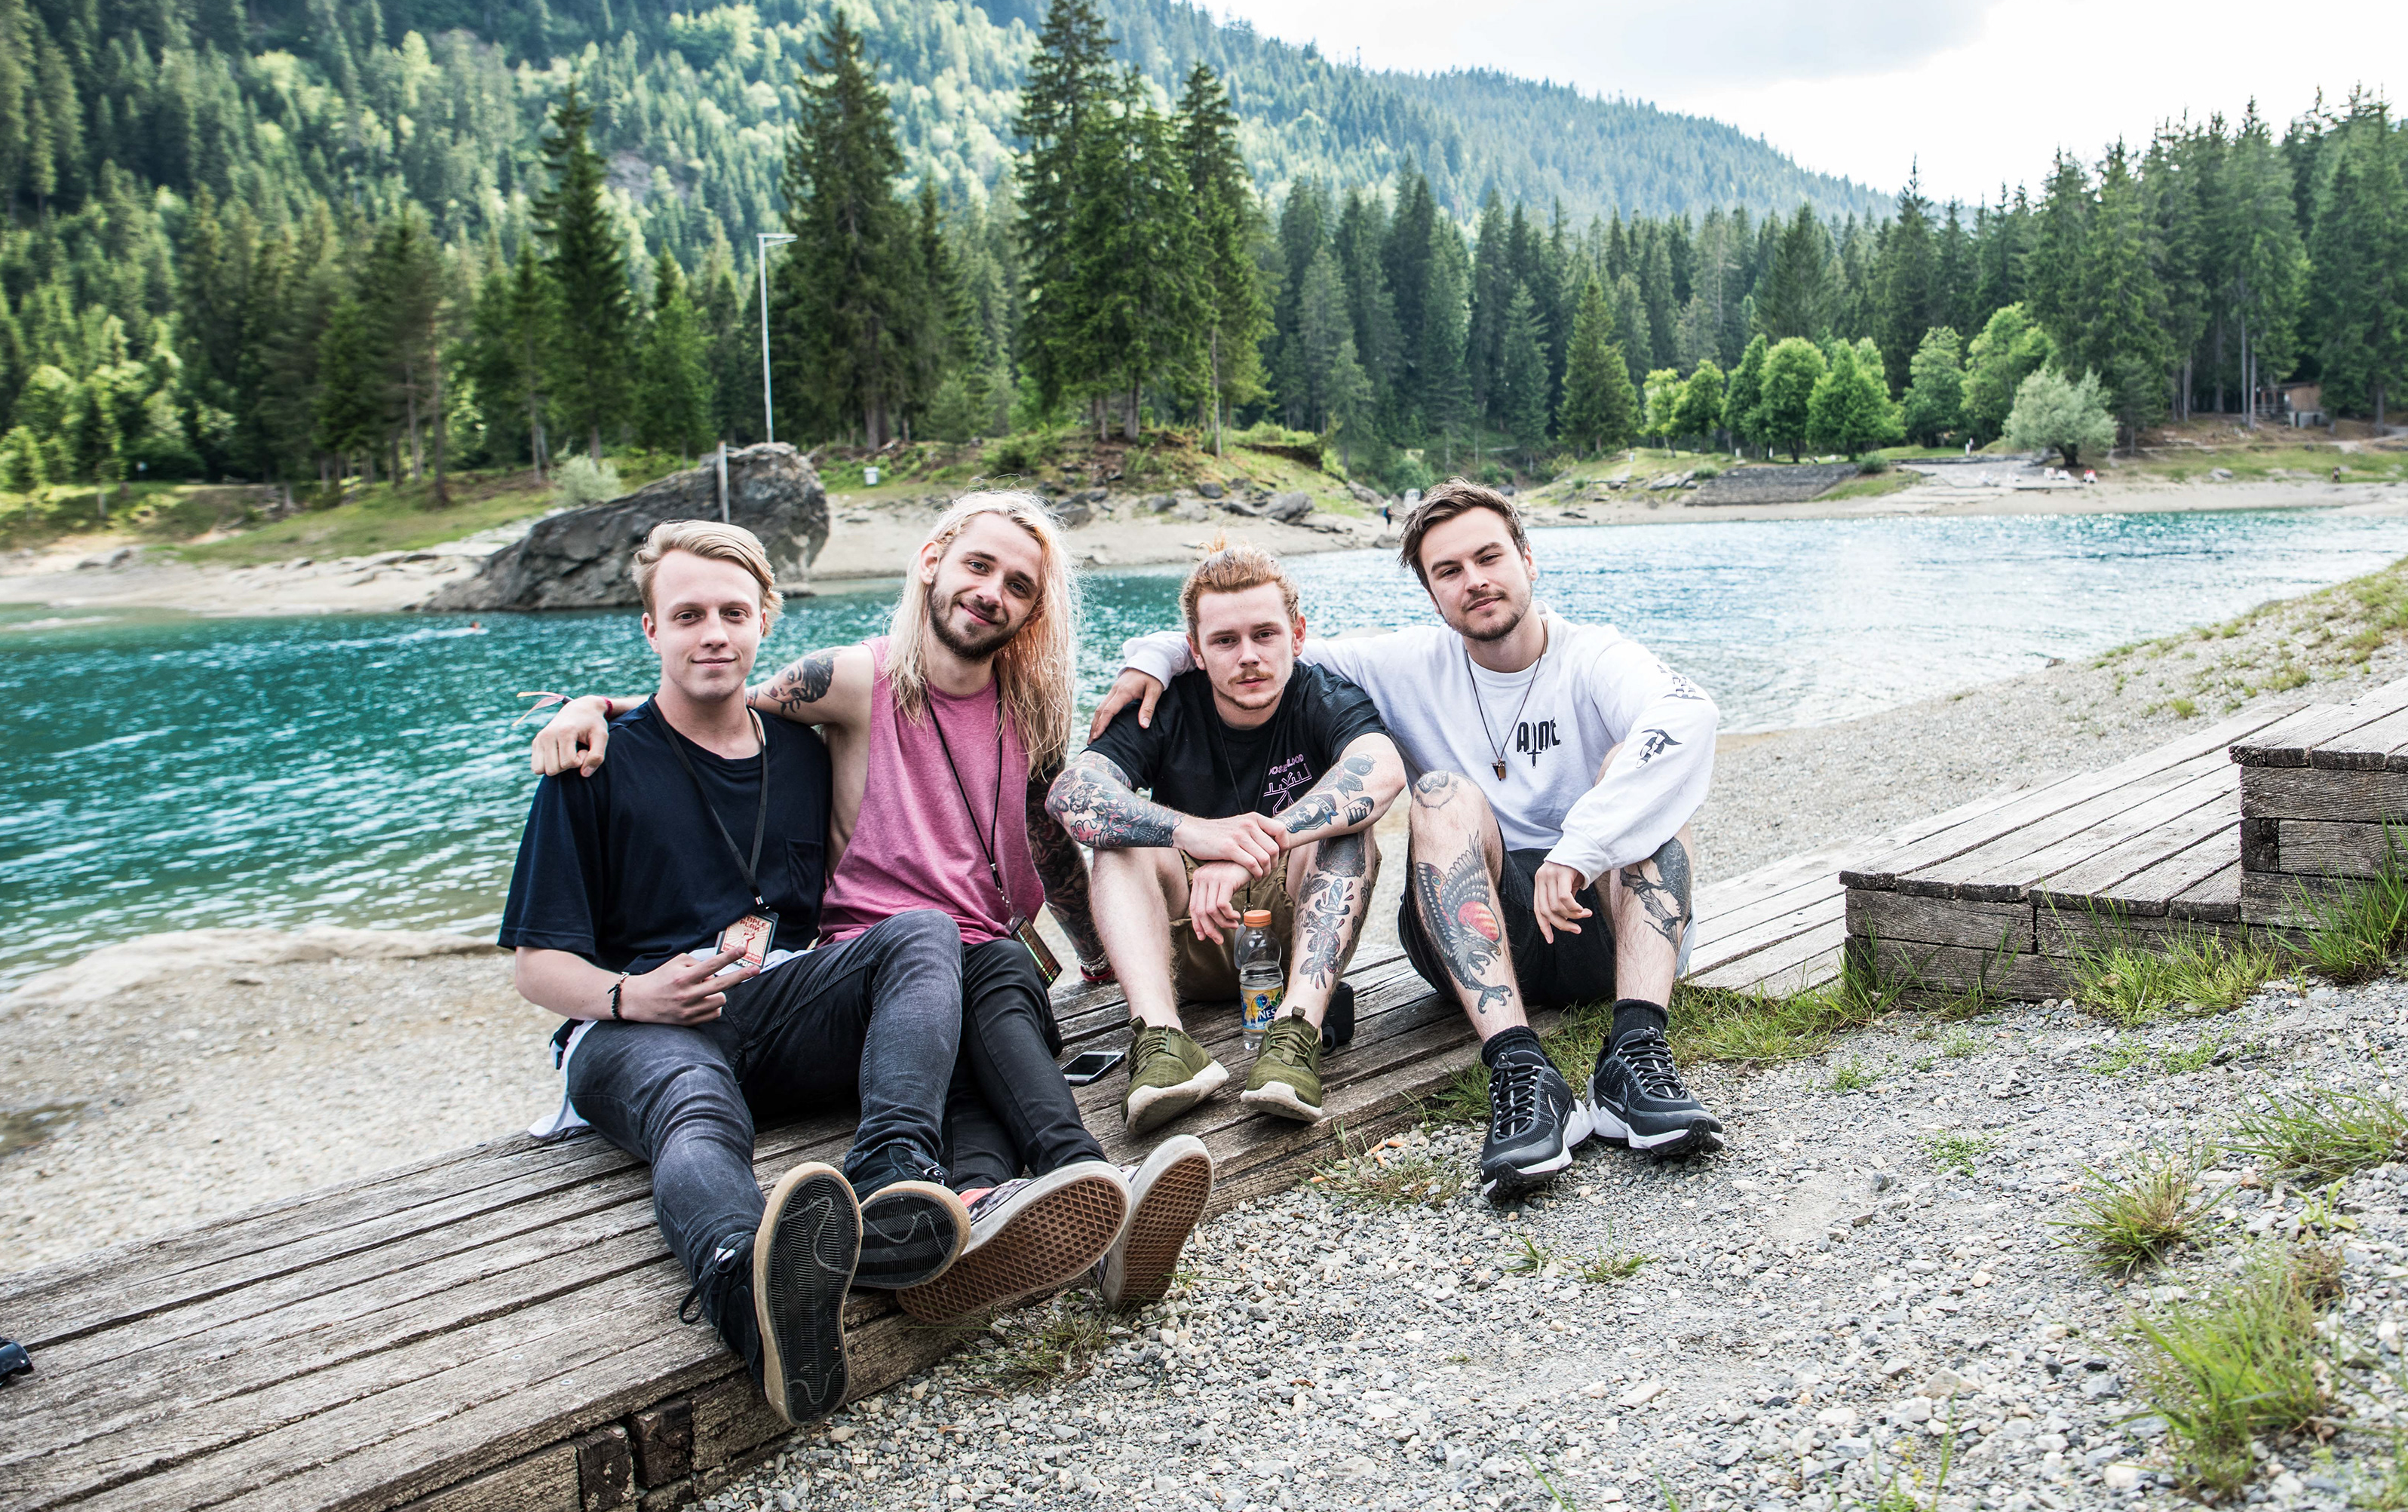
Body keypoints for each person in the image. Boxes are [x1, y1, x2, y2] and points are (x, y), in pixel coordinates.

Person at [527, 492, 1210, 1319]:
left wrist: (1096, 957)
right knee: (932, 963)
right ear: (932, 562)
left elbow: (1048, 838)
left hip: (924, 972)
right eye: (978, 565)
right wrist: (596, 709)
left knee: (986, 977)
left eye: (1019, 584)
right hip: (849, 969)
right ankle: (890, 1198)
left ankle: (1040, 1196)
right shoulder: (852, 680)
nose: (992, 591)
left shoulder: (1015, 711)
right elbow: (711, 697)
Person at [1095, 479, 1721, 1201]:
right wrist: (1153, 655)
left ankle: (1637, 1055)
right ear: (1431, 592)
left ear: (1527, 558)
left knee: (1637, 773)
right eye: (1448, 570)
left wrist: (1581, 846)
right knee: (1440, 791)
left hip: (1608, 928)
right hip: (1477, 937)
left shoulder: (1595, 656)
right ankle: (1519, 1070)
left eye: (1489, 557)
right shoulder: (1406, 664)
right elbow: (1260, 645)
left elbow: (1688, 715)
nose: (1474, 580)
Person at [501, 520, 970, 1426]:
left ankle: (891, 1180)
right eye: (687, 616)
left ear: (765, 621)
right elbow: (536, 966)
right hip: (635, 1025)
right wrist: (633, 995)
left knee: (923, 933)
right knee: (694, 1107)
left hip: (774, 1003)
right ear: (651, 629)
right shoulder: (593, 763)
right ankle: (748, 1291)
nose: (712, 633)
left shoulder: (799, 748)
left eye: (732, 613)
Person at [1046, 540, 1403, 1130]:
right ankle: (1161, 1041)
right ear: (1195, 650)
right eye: (1225, 641)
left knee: (1349, 830)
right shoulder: (1164, 707)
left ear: (1297, 634)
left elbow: (1383, 770)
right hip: (1188, 932)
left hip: (1290, 941)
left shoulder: (1323, 695)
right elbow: (1073, 792)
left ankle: (1296, 1035)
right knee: (1116, 841)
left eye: (1264, 634)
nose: (1249, 657)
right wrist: (1197, 834)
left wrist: (1254, 846)